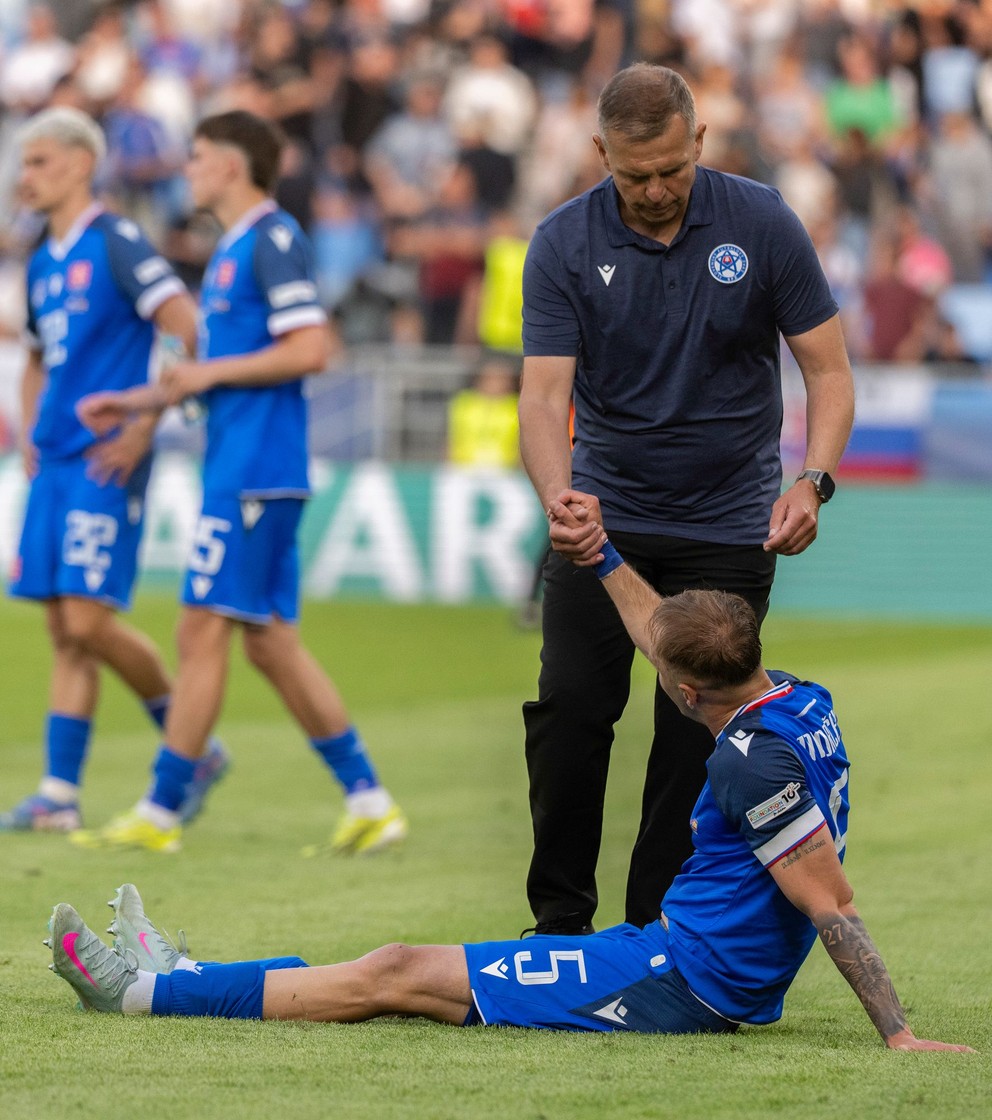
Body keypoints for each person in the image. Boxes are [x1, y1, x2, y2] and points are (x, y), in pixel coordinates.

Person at [45, 530, 972, 1050]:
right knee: (412, 980)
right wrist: (605, 555)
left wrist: (897, 1034)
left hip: (681, 982)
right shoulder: (797, 700)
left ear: (685, 692)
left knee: (396, 970)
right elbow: (670, 636)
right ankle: (184, 976)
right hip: (666, 953)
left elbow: (832, 906)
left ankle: (141, 995)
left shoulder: (746, 763)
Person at [517, 63, 856, 933]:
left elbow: (828, 370)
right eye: (635, 176)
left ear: (699, 141)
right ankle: (557, 926)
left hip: (728, 531)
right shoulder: (560, 242)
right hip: (607, 526)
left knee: (690, 742)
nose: (658, 189)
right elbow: (544, 398)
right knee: (571, 715)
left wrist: (813, 481)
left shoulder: (764, 222)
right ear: (601, 154)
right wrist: (561, 500)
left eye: (673, 168)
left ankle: (653, 934)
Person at [71, 110, 406, 855]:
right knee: (270, 644)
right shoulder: (231, 250)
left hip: (256, 469)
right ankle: (369, 797)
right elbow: (218, 374)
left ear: (229, 164)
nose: (186, 169)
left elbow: (313, 348)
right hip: (246, 464)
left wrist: (207, 372)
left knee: (200, 628)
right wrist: (141, 400)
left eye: (195, 157)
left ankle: (160, 811)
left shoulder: (272, 239)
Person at [0, 107, 227, 834]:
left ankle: (191, 748)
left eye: (37, 162)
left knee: (88, 618)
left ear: (78, 164)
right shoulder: (42, 258)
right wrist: (32, 424)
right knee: (64, 629)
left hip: (106, 459)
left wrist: (145, 422)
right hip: (56, 461)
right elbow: (36, 354)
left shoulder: (118, 242)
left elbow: (187, 325)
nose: (24, 176)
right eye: (23, 162)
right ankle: (58, 796)